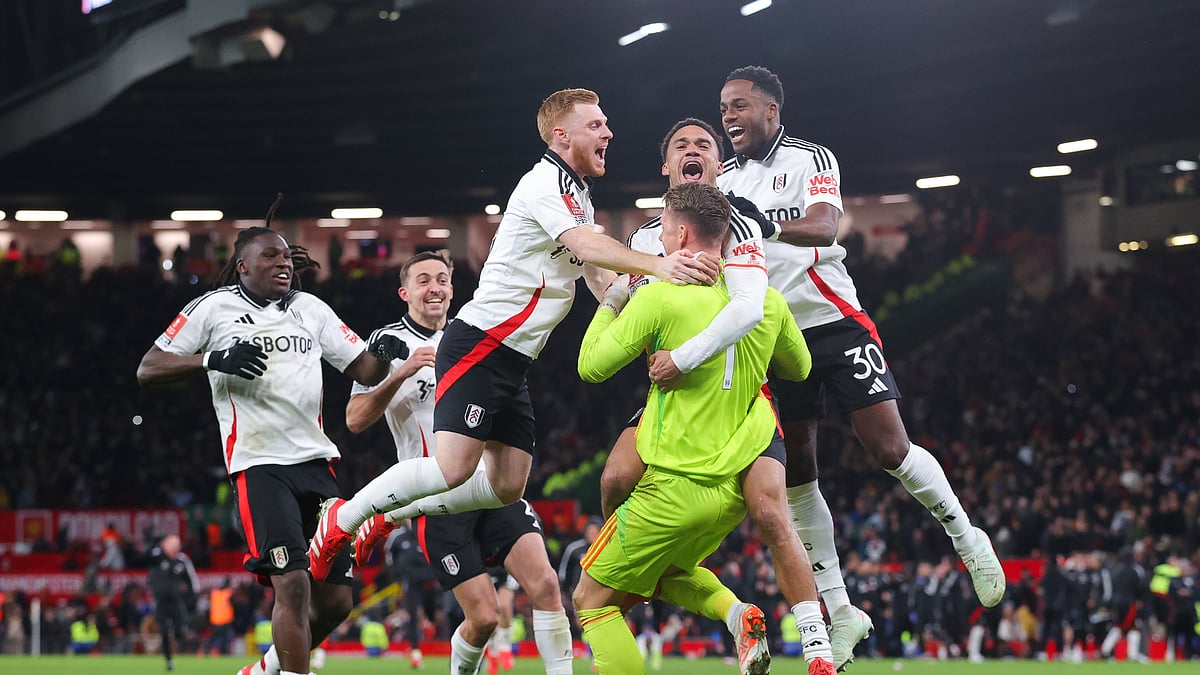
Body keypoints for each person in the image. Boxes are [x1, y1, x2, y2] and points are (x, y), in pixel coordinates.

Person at [307, 87, 719, 581]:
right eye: (596, 125)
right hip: (482, 342)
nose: (608, 132)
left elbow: (597, 273)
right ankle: (345, 517)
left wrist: (647, 302)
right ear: (561, 136)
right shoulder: (542, 183)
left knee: (506, 486)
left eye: (606, 124)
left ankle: (391, 513)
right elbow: (584, 243)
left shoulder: (578, 194)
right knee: (452, 469)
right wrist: (659, 263)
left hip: (514, 359)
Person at [687, 65, 1004, 666]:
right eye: (723, 108)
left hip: (832, 321)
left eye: (739, 107)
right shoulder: (722, 179)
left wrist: (766, 221)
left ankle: (967, 538)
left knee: (888, 449)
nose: (728, 117)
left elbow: (826, 225)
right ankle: (841, 609)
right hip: (774, 338)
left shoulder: (811, 158)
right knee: (799, 472)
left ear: (772, 112)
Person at [597, 117, 836, 673]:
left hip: (743, 399)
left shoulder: (742, 222)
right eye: (680, 145)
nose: (693, 150)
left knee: (770, 511)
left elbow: (757, 304)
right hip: (676, 401)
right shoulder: (643, 241)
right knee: (612, 479)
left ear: (718, 164)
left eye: (704, 144)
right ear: (665, 167)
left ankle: (817, 647)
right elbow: (624, 306)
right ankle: (658, 576)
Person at [136, 219, 404, 675]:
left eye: (285, 257)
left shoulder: (311, 309)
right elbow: (149, 366)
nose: (283, 263)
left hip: (317, 463)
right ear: (243, 266)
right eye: (270, 256)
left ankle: (263, 669)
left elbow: (363, 372)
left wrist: (381, 353)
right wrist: (213, 359)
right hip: (260, 466)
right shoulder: (213, 308)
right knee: (294, 584)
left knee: (338, 601)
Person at [344, 251, 574, 674]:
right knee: (484, 618)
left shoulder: (473, 337)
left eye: (442, 280)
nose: (434, 288)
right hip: (436, 498)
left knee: (545, 585)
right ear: (405, 292)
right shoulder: (387, 344)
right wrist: (399, 372)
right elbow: (355, 420)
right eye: (423, 280)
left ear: (453, 288)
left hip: (488, 486)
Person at [147, 534, 198, 671]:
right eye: (173, 544)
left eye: (178, 544)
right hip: (161, 602)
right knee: (163, 630)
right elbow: (147, 555)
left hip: (176, 602)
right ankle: (168, 660)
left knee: (180, 630)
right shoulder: (157, 559)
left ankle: (183, 647)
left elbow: (191, 583)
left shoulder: (181, 562)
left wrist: (190, 599)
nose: (177, 547)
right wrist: (153, 541)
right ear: (165, 545)